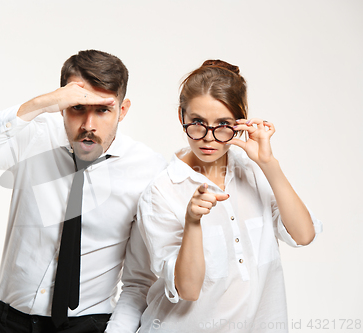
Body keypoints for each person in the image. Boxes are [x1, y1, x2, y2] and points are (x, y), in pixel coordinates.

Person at [0, 49, 166, 333]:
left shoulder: (148, 170)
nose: (88, 125)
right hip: (7, 322)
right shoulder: (33, 135)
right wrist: (37, 104)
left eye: (102, 110)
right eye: (76, 107)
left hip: (88, 325)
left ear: (122, 110)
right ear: (62, 104)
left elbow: (138, 282)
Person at [136, 60, 322, 333]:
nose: (208, 138)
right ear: (181, 117)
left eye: (223, 124)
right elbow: (187, 289)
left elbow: (303, 235)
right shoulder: (162, 190)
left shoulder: (255, 172)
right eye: (197, 122)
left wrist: (269, 164)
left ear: (241, 121)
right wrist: (192, 222)